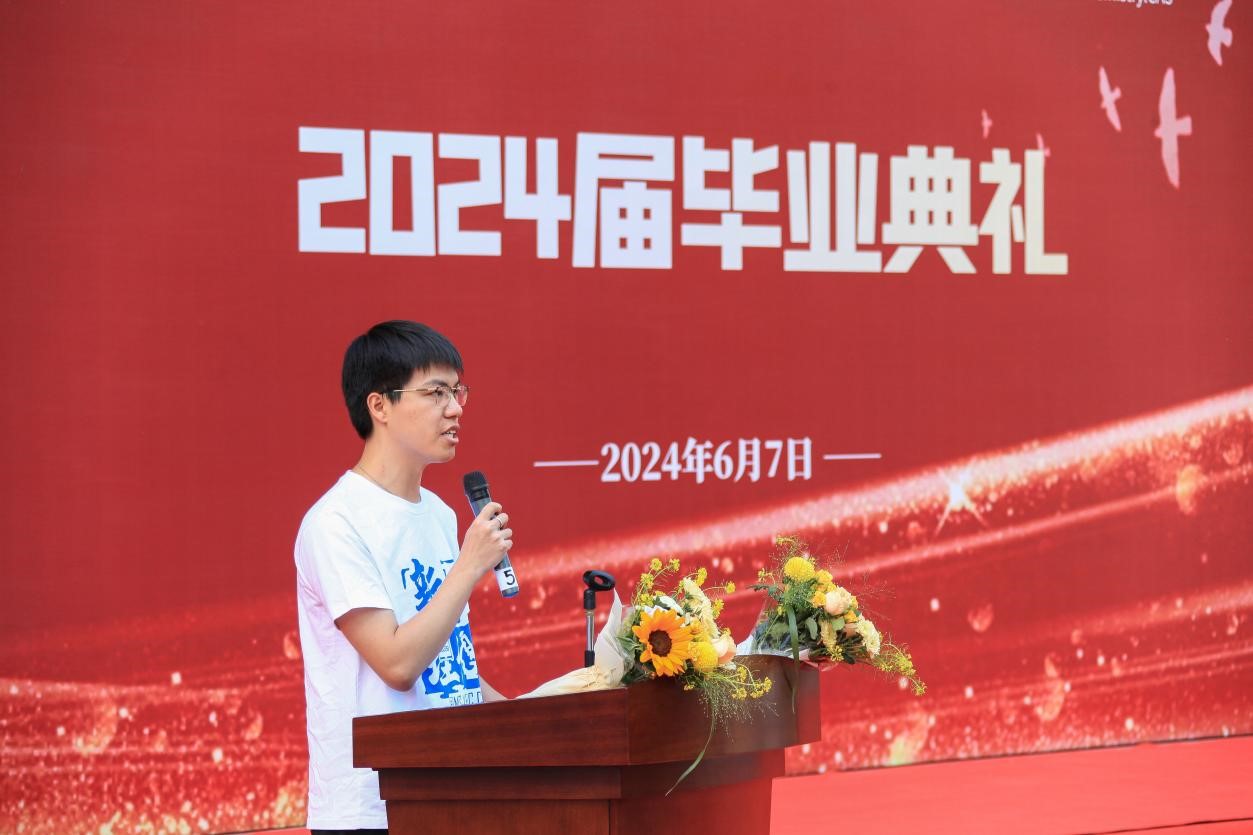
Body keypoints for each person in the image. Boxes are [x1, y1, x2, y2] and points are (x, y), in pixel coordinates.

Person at [294, 320, 512, 835]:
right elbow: (397, 664)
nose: (455, 409)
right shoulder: (336, 522)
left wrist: (541, 712)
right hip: (372, 808)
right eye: (435, 393)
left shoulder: (439, 514)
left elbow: (450, 670)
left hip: (451, 790)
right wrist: (468, 566)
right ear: (380, 406)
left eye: (457, 391)